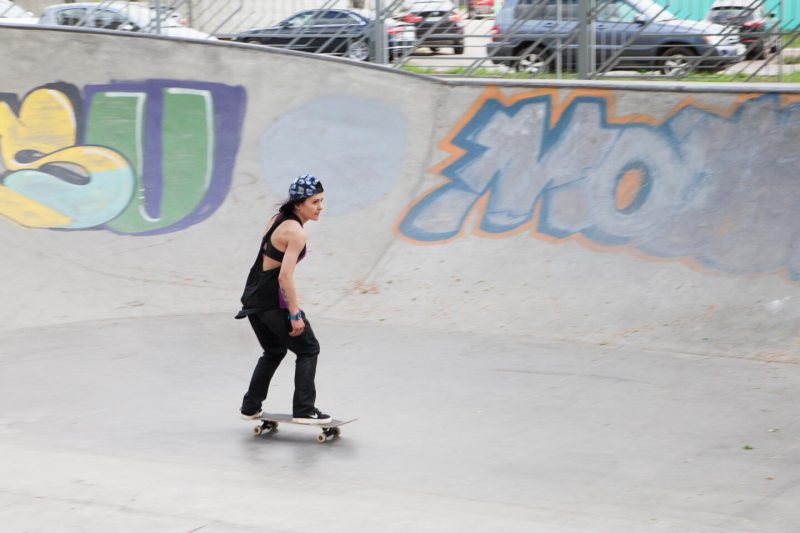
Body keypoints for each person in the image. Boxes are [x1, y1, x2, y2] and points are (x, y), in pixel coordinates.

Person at [236, 174, 331, 424]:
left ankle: (250, 406)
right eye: (315, 202)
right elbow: (284, 277)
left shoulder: (277, 219)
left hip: (253, 298)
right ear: (299, 204)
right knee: (309, 348)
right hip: (271, 301)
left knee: (274, 350)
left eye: (321, 200)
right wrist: (294, 314)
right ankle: (304, 410)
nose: (320, 207)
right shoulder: (296, 232)